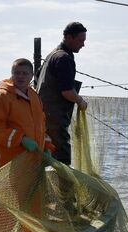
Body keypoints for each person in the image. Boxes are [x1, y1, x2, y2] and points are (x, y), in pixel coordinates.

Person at [0, 58, 55, 232]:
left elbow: (42, 128)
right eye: (17, 73)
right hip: (12, 165)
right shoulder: (1, 96)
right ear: (11, 74)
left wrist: (47, 147)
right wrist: (20, 139)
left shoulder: (34, 96)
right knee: (7, 211)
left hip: (34, 166)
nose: (21, 77)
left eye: (25, 73)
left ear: (32, 76)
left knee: (34, 210)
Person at [36, 21, 88, 166]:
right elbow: (67, 92)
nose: (83, 45)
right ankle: (63, 189)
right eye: (80, 40)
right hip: (55, 121)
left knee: (46, 158)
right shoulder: (64, 58)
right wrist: (81, 102)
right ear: (69, 37)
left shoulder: (51, 55)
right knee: (61, 160)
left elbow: (37, 80)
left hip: (42, 117)